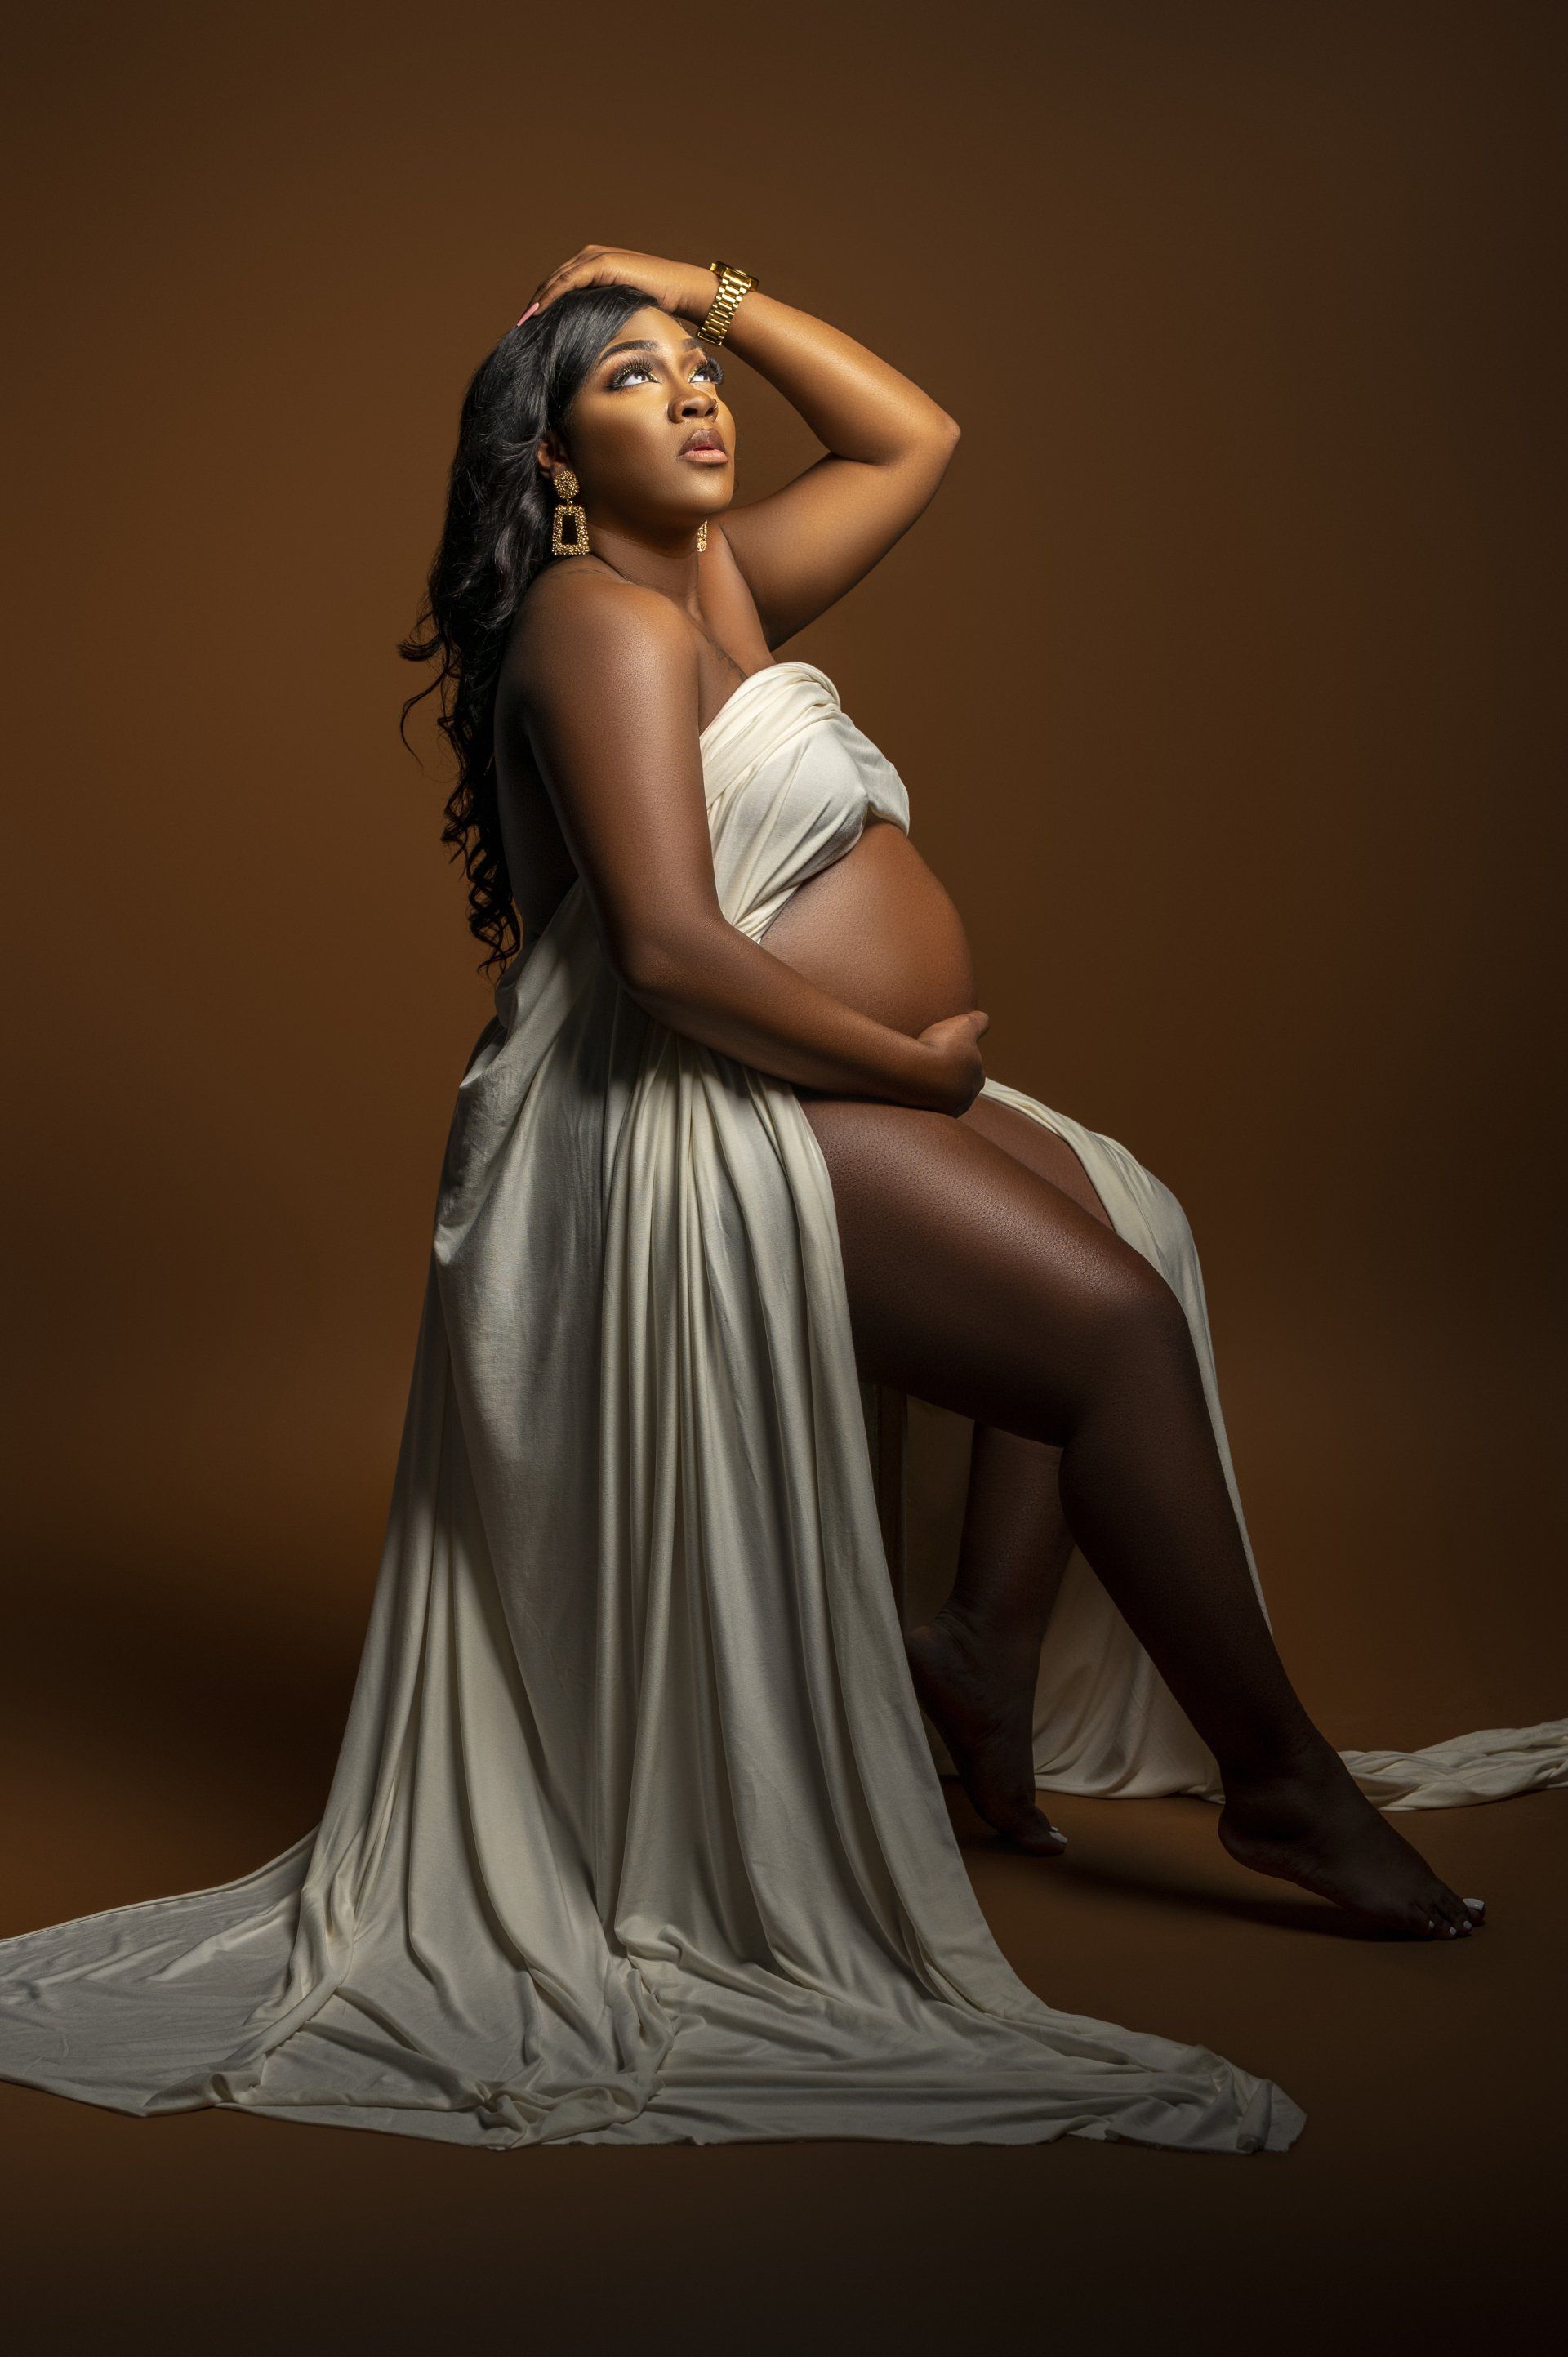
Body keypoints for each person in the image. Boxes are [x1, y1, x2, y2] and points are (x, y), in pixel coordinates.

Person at [0, 249, 1562, 2160]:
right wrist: (907, 1066)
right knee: (1109, 1329)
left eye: (695, 370)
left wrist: (684, 273)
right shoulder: (593, 617)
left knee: (1124, 1217)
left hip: (799, 1072)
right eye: (632, 381)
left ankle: (982, 1653)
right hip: (679, 1111)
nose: (691, 393)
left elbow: (916, 434)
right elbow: (660, 946)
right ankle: (1281, 1780)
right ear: (548, 457)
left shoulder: (715, 586)